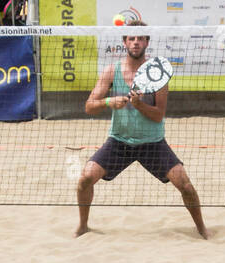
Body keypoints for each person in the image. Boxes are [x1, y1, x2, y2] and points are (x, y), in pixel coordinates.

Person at [76, 20, 208, 238]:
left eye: (140, 38)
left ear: (147, 42)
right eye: (131, 38)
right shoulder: (112, 71)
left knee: (184, 185)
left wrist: (139, 105)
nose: (135, 42)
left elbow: (158, 116)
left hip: (152, 143)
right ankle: (83, 226)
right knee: (85, 179)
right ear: (124, 42)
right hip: (119, 142)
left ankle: (202, 229)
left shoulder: (157, 74)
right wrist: (109, 102)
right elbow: (89, 106)